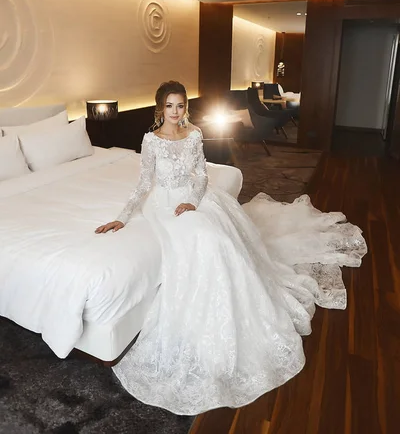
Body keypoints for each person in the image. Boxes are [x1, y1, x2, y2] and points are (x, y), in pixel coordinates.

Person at [95, 80, 367, 416]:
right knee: (209, 241)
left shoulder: (193, 135)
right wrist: (122, 218)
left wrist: (192, 201)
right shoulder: (151, 140)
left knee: (221, 237)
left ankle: (242, 300)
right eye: (170, 106)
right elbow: (143, 185)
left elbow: (202, 176)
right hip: (162, 204)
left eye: (180, 106)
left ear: (185, 108)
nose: (176, 112)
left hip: (190, 201)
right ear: (159, 108)